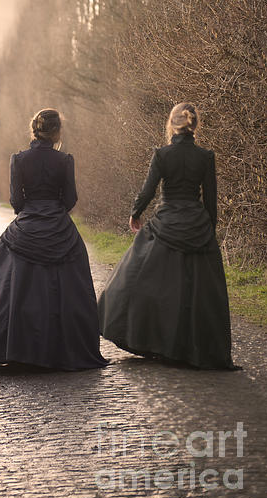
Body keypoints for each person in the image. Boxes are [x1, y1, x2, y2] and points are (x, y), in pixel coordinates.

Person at [97, 102, 238, 370]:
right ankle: (189, 347)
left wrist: (136, 213)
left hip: (166, 223)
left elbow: (149, 189)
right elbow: (211, 199)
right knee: (197, 296)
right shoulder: (205, 156)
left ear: (171, 125)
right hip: (197, 225)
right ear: (195, 125)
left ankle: (154, 340)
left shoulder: (162, 154)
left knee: (138, 281)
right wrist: (209, 230)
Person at [0, 108, 107, 371]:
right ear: (57, 131)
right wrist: (55, 213)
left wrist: (30, 214)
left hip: (26, 226)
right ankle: (60, 349)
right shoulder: (65, 160)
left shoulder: (18, 160)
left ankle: (14, 348)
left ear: (34, 130)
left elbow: (16, 201)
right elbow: (71, 199)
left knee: (4, 278)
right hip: (59, 225)